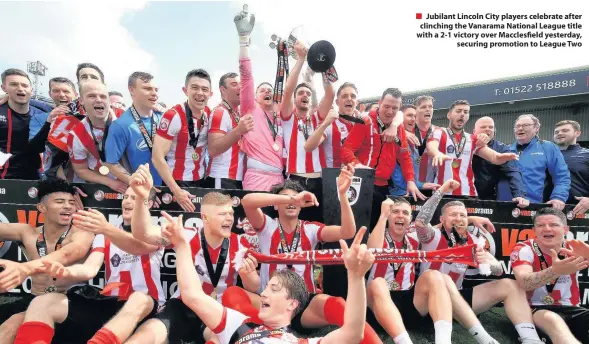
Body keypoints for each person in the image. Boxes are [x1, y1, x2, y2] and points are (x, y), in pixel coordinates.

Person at [169, 209, 373, 344]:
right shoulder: (239, 324)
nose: (264, 294)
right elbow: (192, 295)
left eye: (273, 289)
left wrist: (355, 277)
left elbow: (353, 333)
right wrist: (181, 246)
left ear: (292, 304)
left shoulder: (301, 342)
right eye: (267, 288)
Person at [240, 166, 381, 343]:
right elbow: (247, 201)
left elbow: (347, 231)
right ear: (275, 205)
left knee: (336, 303)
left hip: (302, 306)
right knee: (234, 294)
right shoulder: (267, 225)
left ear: (302, 206)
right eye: (283, 199)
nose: (290, 203)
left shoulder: (311, 228)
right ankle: (250, 329)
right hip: (270, 303)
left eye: (295, 199)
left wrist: (343, 196)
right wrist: (292, 198)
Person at [125, 164, 260, 344]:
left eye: (231, 213)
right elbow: (143, 233)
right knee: (151, 331)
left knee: (218, 337)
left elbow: (254, 287)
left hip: (217, 309)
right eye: (222, 214)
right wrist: (142, 197)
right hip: (183, 307)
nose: (229, 218)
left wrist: (248, 275)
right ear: (205, 217)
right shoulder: (186, 235)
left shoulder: (241, 242)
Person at [12, 186, 163, 344]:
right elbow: (89, 269)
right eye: (126, 197)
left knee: (139, 298)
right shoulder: (103, 236)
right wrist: (66, 272)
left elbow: (138, 247)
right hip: (110, 303)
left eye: (135, 198)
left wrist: (107, 228)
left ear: (149, 204)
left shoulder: (156, 232)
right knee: (42, 302)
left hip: (145, 306)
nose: (128, 202)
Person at [414, 179, 543, 344]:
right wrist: (442, 190)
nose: (459, 219)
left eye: (463, 215)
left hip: (457, 302)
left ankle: (531, 339)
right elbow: (420, 222)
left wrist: (490, 263)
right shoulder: (432, 236)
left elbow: (498, 271)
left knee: (510, 285)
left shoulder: (474, 242)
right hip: (428, 300)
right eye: (453, 215)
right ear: (442, 219)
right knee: (438, 278)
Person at [0, 178, 94, 342]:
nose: (68, 206)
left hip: (70, 302)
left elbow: (69, 253)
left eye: (71, 203)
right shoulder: (27, 232)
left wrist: (25, 268)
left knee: (13, 324)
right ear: (42, 207)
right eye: (60, 201)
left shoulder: (82, 232)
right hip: (33, 298)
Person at [366, 198, 453, 344]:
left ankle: (444, 341)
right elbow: (372, 250)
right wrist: (382, 216)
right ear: (388, 215)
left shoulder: (413, 238)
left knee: (434, 275)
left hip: (407, 301)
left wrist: (472, 219)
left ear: (410, 219)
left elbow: (441, 225)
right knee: (378, 283)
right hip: (377, 303)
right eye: (395, 212)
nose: (400, 215)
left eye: (405, 213)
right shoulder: (377, 235)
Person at [341, 87, 423, 230]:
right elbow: (346, 150)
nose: (390, 111)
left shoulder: (399, 128)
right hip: (362, 182)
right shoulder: (365, 122)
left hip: (383, 187)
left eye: (394, 108)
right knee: (359, 229)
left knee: (378, 229)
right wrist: (358, 166)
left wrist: (410, 181)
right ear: (379, 103)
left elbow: (404, 156)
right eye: (386, 106)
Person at [511, 207, 589, 344]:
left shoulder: (576, 248)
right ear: (534, 230)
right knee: (552, 320)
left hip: (573, 309)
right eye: (540, 225)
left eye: (553, 225)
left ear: (565, 229)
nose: (547, 229)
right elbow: (524, 282)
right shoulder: (524, 248)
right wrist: (555, 271)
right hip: (534, 309)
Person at [278, 40, 335, 221]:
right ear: (295, 99)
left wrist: (324, 63)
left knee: (317, 225)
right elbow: (287, 90)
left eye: (308, 94)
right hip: (295, 180)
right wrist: (301, 59)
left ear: (311, 101)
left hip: (319, 180)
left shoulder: (318, 118)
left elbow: (330, 94)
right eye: (301, 93)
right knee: (294, 224)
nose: (305, 95)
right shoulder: (288, 117)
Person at [234, 6, 285, 191]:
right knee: (255, 220)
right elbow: (246, 76)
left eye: (269, 89)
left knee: (276, 221)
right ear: (254, 97)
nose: (266, 91)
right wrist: (243, 41)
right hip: (256, 179)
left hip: (280, 179)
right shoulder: (250, 108)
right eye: (262, 90)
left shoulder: (279, 116)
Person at [426, 100, 519, 197]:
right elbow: (431, 147)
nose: (462, 114)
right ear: (449, 115)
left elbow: (495, 158)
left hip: (468, 193)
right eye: (458, 111)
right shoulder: (439, 132)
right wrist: (437, 154)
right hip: (442, 191)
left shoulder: (472, 139)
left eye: (465, 112)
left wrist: (504, 156)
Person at [152, 69, 212, 212]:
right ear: (185, 90)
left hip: (201, 181)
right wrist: (176, 191)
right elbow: (157, 157)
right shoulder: (173, 115)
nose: (200, 93)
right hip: (178, 183)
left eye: (204, 89)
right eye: (194, 88)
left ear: (211, 93)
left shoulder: (209, 113)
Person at [104, 72, 164, 187]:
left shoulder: (164, 119)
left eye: (156, 90)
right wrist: (137, 184)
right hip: (142, 191)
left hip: (171, 188)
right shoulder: (121, 125)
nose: (154, 93)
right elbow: (111, 164)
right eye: (147, 89)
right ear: (132, 90)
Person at [498, 114, 570, 209]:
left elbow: (562, 176)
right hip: (504, 207)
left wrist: (558, 197)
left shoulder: (547, 148)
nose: (520, 128)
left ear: (536, 128)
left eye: (525, 125)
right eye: (517, 126)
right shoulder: (506, 150)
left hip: (534, 207)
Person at [67, 80, 126, 193]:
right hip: (101, 186)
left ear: (109, 100)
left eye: (103, 96)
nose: (99, 100)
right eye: (92, 96)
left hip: (132, 182)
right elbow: (81, 170)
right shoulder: (76, 135)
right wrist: (110, 182)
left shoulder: (126, 118)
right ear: (81, 101)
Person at [0, 68, 53, 180]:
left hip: (33, 177)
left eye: (24, 85)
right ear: (4, 88)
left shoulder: (43, 114)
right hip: (4, 177)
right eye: (14, 84)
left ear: (31, 90)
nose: (20, 88)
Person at [206, 69, 252, 190]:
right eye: (234, 84)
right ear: (223, 90)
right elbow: (213, 150)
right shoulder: (220, 112)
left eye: (241, 85)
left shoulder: (236, 113)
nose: (240, 88)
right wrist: (238, 131)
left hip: (236, 178)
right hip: (222, 177)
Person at [472, 116, 529, 207]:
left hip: (489, 197)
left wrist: (519, 195)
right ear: (474, 131)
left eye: (491, 127)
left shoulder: (502, 148)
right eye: (483, 127)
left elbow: (513, 172)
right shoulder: (466, 144)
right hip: (465, 194)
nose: (487, 129)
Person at [390, 104, 440, 196]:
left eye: (415, 116)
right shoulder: (393, 138)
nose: (413, 119)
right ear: (400, 117)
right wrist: (420, 185)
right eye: (409, 115)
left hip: (412, 191)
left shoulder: (411, 138)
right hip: (398, 194)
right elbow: (395, 174)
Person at [553, 120, 589, 215]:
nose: (559, 133)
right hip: (546, 210)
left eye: (565, 130)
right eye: (556, 132)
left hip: (578, 212)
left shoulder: (586, 155)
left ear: (578, 133)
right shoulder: (546, 156)